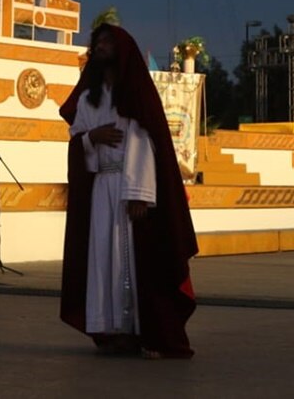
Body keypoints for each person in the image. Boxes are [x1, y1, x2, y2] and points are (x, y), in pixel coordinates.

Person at [59, 22, 198, 359]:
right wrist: (93, 138)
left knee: (132, 262)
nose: (101, 46)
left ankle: (141, 330)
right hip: (101, 187)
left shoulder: (134, 93)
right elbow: (77, 137)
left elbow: (144, 143)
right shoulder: (90, 98)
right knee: (102, 259)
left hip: (130, 187)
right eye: (98, 41)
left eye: (108, 41)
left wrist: (139, 192)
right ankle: (112, 330)